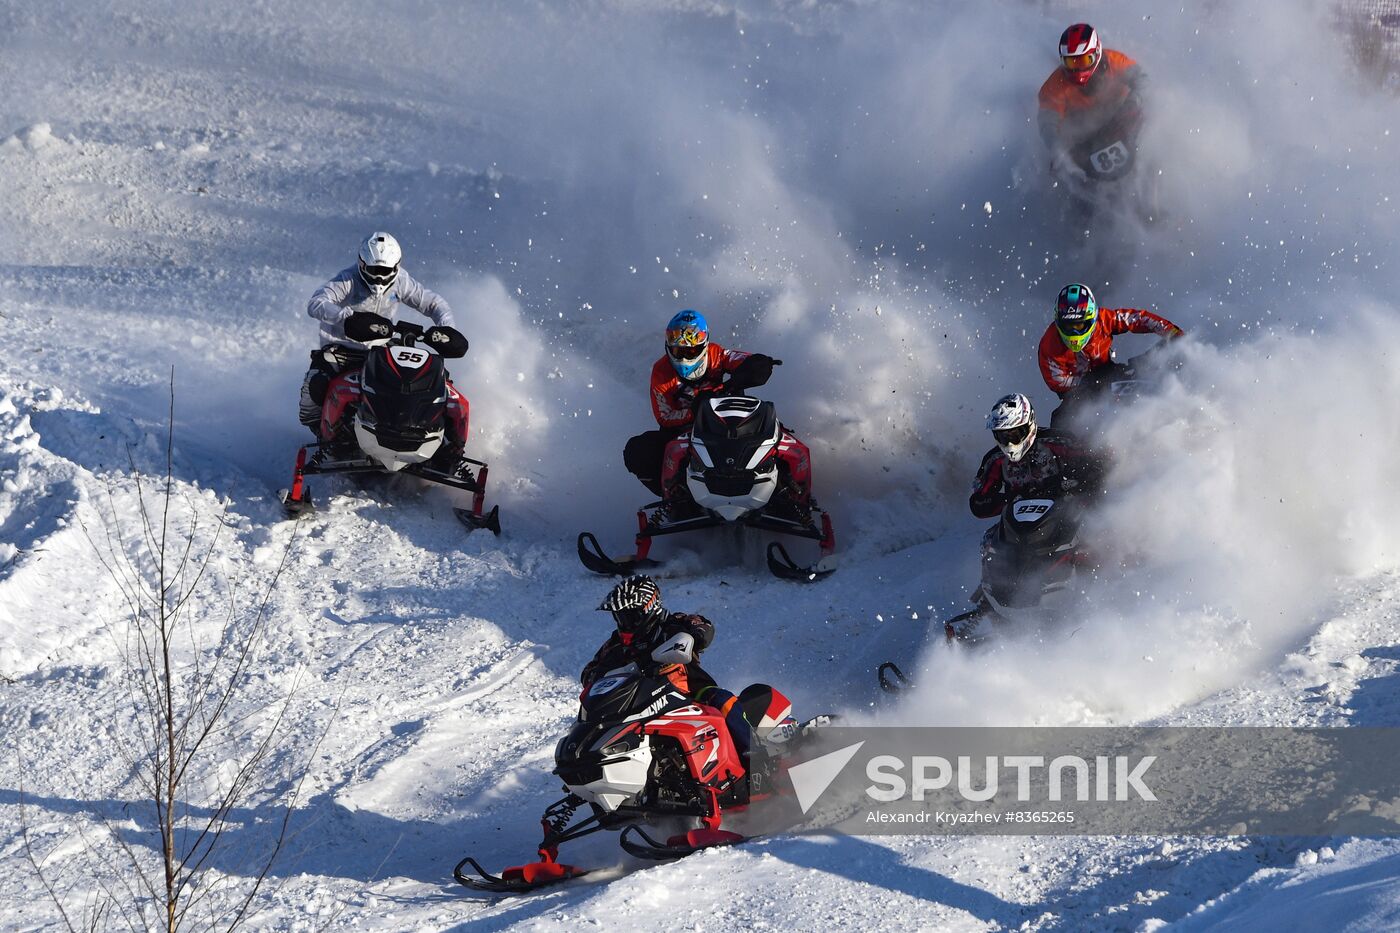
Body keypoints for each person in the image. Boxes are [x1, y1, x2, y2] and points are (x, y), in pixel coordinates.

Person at [582, 576, 796, 765]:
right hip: (640, 702)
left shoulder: (672, 624)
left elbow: (703, 627)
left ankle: (757, 755)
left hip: (688, 692)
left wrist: (695, 635)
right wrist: (596, 677)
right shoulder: (615, 644)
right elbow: (590, 672)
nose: (623, 623)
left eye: (629, 616)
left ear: (647, 608)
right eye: (619, 617)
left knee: (720, 699)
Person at [622, 310, 798, 519]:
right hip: (688, 431)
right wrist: (693, 411)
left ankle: (791, 497)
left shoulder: (717, 355)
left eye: (691, 351)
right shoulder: (661, 373)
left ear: (703, 347)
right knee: (639, 451)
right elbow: (664, 416)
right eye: (678, 351)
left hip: (733, 422)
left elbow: (744, 360)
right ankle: (677, 500)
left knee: (783, 438)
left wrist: (754, 368)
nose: (684, 358)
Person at [298, 232, 457, 439]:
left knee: (425, 378)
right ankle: (321, 430)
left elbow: (435, 304)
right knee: (316, 382)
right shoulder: (348, 279)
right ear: (362, 264)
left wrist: (446, 329)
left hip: (380, 350)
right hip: (341, 349)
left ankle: (430, 433)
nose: (380, 277)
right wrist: (345, 318)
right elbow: (316, 303)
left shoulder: (402, 281)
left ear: (396, 267)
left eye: (385, 271)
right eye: (374, 270)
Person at [1037, 282, 1183, 403]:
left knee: (1155, 360)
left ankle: (1175, 402)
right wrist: (1090, 383)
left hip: (1111, 372)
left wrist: (1172, 333)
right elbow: (1057, 382)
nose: (1074, 332)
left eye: (1079, 325)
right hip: (1078, 392)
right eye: (1068, 326)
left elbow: (1137, 318)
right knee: (1062, 419)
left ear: (1092, 317)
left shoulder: (1104, 319)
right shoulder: (1048, 345)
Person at [1037, 23, 1146, 185]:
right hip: (1086, 134)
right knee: (1061, 169)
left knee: (1147, 118)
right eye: (1072, 63)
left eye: (1084, 60)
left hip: (1120, 117)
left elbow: (1143, 81)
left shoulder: (1116, 61)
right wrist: (1057, 147)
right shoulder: (1054, 87)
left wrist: (1132, 102)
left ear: (1097, 53)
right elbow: (1047, 121)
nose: (1078, 70)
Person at [969, 393, 1103, 520]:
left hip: (1069, 514)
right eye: (1003, 436)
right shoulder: (995, 458)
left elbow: (1097, 464)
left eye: (1014, 434)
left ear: (1029, 424)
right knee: (989, 541)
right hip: (1021, 522)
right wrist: (1012, 498)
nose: (1009, 443)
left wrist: (1063, 482)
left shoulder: (1056, 441)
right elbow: (978, 503)